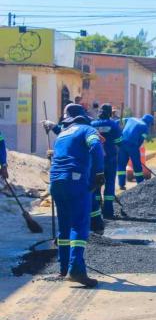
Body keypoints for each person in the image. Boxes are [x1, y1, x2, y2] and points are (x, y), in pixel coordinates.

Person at [48, 104, 104, 287]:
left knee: (64, 226)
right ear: (83, 116)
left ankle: (63, 269)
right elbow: (96, 147)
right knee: (79, 224)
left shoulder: (62, 134)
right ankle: (76, 268)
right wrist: (98, 173)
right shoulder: (88, 129)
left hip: (56, 182)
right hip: (76, 180)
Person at [91, 104, 122, 220]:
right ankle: (108, 212)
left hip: (96, 160)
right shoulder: (113, 125)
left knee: (96, 185)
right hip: (110, 159)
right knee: (109, 184)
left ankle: (97, 210)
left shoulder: (92, 125)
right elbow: (119, 142)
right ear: (109, 113)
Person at [117, 114, 154, 190]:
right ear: (149, 122)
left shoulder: (131, 118)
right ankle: (140, 183)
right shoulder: (144, 127)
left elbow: (119, 121)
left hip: (122, 143)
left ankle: (121, 185)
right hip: (132, 145)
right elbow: (140, 141)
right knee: (137, 165)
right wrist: (134, 152)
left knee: (121, 164)